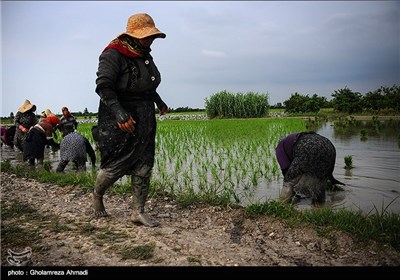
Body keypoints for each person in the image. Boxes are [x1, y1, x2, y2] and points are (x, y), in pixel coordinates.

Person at [92, 13, 168, 227]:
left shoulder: (144, 55)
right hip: (120, 118)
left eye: (152, 37)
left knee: (144, 163)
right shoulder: (113, 54)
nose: (151, 40)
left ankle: (138, 211)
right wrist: (119, 112)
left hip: (145, 118)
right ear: (133, 36)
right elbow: (104, 86)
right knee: (117, 163)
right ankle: (97, 196)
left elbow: (148, 87)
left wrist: (159, 102)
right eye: (147, 36)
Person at [275, 131, 344, 204]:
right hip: (329, 145)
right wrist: (331, 179)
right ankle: (319, 209)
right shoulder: (293, 139)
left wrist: (291, 186)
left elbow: (286, 171)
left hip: (307, 147)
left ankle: (282, 206)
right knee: (320, 183)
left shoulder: (280, 147)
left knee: (288, 183)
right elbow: (325, 165)